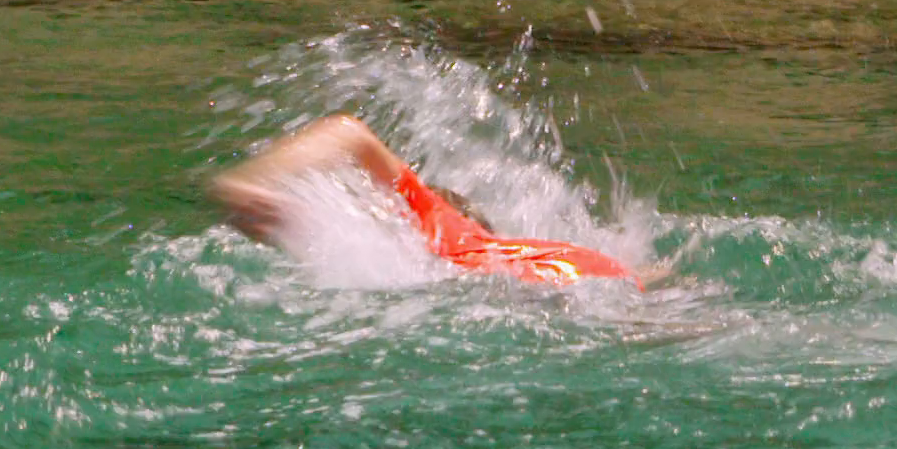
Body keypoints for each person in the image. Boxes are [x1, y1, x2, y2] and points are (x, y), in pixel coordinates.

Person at [210, 115, 640, 287]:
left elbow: (348, 132)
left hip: (552, 291)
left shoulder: (444, 232)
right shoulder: (538, 249)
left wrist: (250, 183)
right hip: (607, 282)